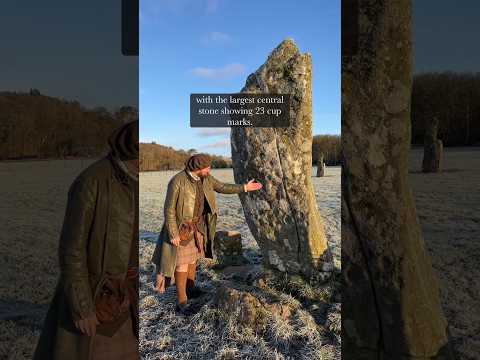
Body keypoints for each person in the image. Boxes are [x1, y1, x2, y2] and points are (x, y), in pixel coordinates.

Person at [33, 121, 139, 360]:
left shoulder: (136, 181)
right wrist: (82, 308)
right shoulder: (91, 182)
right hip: (99, 301)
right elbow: (72, 251)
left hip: (130, 299)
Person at [152, 154, 262, 315]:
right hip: (182, 228)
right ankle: (182, 302)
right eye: (207, 167)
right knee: (182, 263)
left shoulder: (206, 178)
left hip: (199, 226)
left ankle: (191, 289)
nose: (209, 170)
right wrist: (173, 232)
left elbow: (222, 187)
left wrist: (245, 187)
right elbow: (168, 209)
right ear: (197, 168)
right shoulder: (177, 181)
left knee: (192, 260)